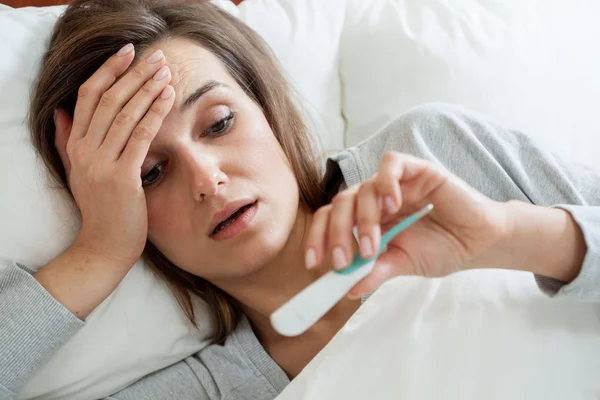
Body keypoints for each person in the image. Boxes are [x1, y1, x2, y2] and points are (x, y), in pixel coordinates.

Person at [1, 0, 599, 398]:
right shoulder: (211, 389)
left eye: (219, 123)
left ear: (267, 108)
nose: (207, 179)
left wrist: (508, 236)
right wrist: (99, 253)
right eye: (151, 173)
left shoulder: (431, 151)